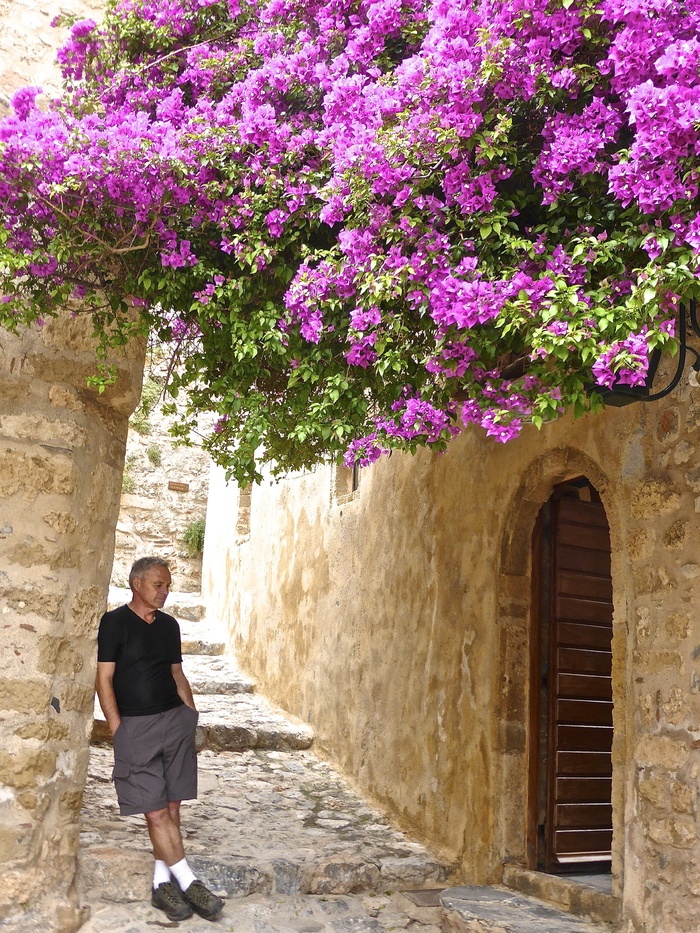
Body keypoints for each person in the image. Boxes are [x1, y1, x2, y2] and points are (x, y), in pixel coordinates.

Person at [96, 556, 224, 922]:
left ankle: (161, 884)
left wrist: (190, 715)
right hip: (136, 727)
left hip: (175, 722)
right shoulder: (114, 623)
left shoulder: (169, 626)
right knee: (153, 810)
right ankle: (188, 881)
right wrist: (118, 729)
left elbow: (177, 674)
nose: (165, 591)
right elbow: (104, 679)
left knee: (170, 808)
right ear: (136, 584)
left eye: (167, 585)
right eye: (158, 585)